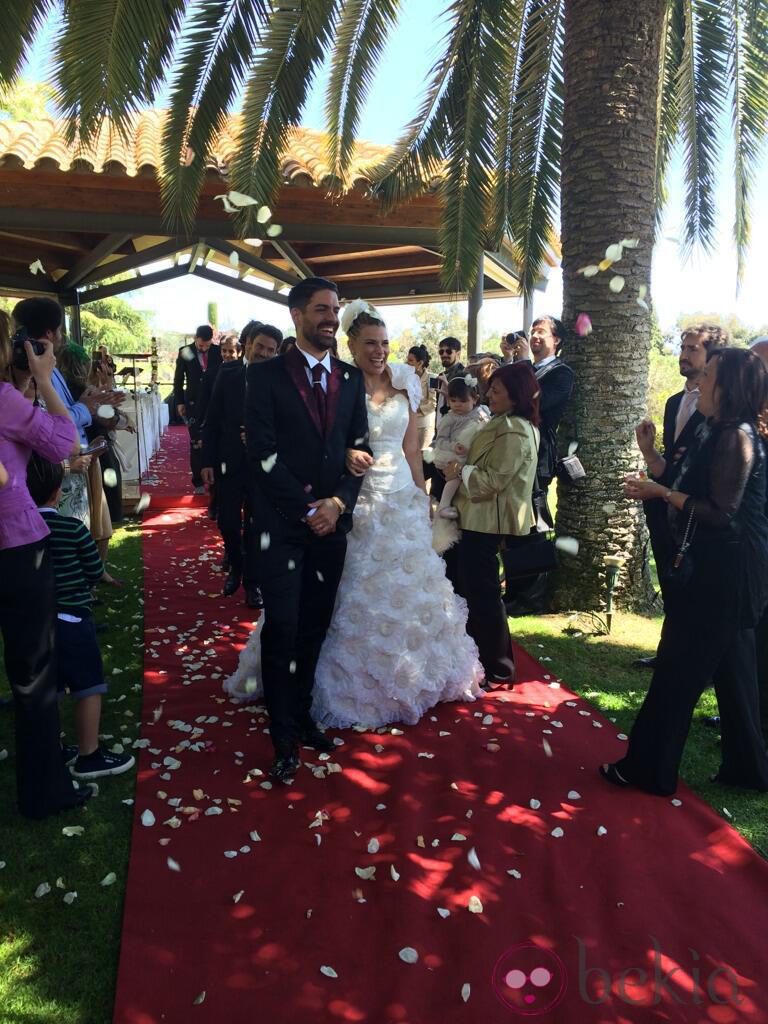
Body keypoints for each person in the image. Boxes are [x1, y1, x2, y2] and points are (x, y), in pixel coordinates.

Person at [308, 300, 482, 728]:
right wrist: (345, 456)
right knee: (353, 585)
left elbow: (411, 449)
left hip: (401, 493)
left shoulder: (405, 380)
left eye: (384, 343)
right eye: (370, 343)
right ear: (351, 345)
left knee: (413, 584)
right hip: (358, 496)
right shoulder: (341, 382)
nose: (379, 351)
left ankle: (419, 675)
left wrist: (422, 496)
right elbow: (326, 440)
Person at [602, 348, 768, 796]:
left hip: (724, 575)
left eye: (708, 375)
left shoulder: (736, 437)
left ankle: (647, 770)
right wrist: (652, 461)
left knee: (678, 670)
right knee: (735, 674)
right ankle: (749, 769)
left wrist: (661, 493)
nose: (699, 382)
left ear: (727, 387)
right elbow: (682, 478)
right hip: (724, 571)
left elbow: (721, 513)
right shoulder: (713, 429)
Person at [241, 278, 370, 783]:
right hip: (281, 525)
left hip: (331, 526)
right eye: (321, 309)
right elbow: (262, 452)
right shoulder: (264, 375)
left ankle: (302, 715)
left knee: (315, 626)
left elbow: (360, 447)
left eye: (334, 309)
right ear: (296, 315)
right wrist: (305, 508)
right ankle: (281, 736)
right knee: (284, 627)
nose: (331, 318)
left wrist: (337, 503)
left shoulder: (350, 378)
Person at [0, 317, 94, 818]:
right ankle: (43, 790)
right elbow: (63, 444)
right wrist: (43, 380)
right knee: (34, 673)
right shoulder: (4, 399)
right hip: (15, 544)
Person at [27, 456, 134, 780]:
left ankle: (54, 748)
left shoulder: (18, 531)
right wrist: (101, 577)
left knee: (49, 688)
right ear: (57, 492)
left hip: (34, 622)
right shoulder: (72, 528)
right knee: (88, 685)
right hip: (72, 619)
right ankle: (89, 755)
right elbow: (92, 568)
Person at [634, 323, 729, 668]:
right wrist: (649, 453)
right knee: (672, 583)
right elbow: (673, 467)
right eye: (682, 348)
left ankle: (691, 661)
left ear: (713, 358)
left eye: (693, 349)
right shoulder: (675, 403)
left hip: (700, 515)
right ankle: (669, 653)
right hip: (668, 510)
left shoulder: (721, 411)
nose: (684, 355)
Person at [445, 362, 541, 684]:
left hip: (487, 521)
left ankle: (499, 667)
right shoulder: (504, 423)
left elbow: (494, 481)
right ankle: (480, 660)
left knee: (484, 595)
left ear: (516, 395)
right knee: (475, 590)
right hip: (479, 518)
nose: (489, 395)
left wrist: (460, 471)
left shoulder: (514, 430)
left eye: (496, 391)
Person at [512, 316, 574, 525]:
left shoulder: (562, 374)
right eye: (532, 332)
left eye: (541, 332)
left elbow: (534, 403)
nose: (534, 337)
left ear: (556, 339)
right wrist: (510, 360)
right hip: (511, 448)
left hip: (538, 453)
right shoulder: (524, 368)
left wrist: (523, 364)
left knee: (533, 520)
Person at [429, 376, 489, 551]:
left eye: (462, 401)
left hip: (472, 456)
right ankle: (444, 505)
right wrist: (454, 446)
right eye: (453, 401)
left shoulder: (481, 413)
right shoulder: (449, 419)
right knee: (454, 477)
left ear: (475, 399)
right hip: (452, 455)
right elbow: (440, 440)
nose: (457, 405)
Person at [173, 325, 222, 494]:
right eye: (201, 345)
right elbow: (178, 379)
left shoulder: (218, 351)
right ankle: (198, 481)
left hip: (214, 401)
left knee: (214, 440)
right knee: (196, 441)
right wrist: (179, 402)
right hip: (193, 403)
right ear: (195, 339)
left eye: (207, 346)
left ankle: (215, 479)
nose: (204, 349)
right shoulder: (186, 351)